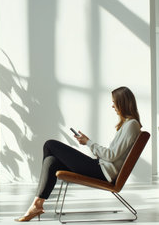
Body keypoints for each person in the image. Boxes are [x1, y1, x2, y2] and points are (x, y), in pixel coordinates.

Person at [15, 86, 142, 222]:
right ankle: (37, 204)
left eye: (114, 102)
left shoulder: (131, 125)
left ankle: (39, 201)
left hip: (102, 172)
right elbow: (113, 155)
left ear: (122, 103)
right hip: (100, 166)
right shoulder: (128, 124)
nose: (112, 106)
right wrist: (89, 143)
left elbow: (112, 155)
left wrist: (89, 142)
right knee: (51, 162)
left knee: (50, 144)